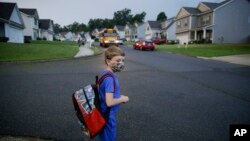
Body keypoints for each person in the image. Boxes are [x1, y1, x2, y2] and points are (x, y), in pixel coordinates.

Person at [98, 46, 129, 141]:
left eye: (122, 60)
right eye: (118, 60)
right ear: (108, 61)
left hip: (104, 112)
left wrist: (119, 97)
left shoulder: (107, 73)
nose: (121, 63)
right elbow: (109, 102)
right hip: (107, 115)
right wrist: (122, 99)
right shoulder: (109, 79)